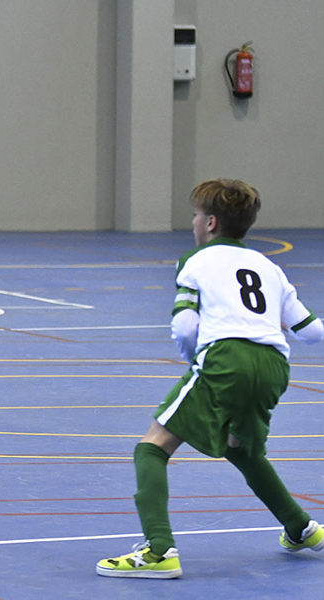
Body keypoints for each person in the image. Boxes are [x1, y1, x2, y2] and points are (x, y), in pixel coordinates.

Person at [96, 179, 324, 579]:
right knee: (243, 450)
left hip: (225, 359)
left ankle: (159, 551)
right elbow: (310, 331)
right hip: (273, 365)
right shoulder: (270, 268)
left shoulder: (195, 260)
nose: (194, 222)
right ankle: (302, 529)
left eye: (196, 215)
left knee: (152, 447)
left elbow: (185, 326)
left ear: (211, 222)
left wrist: (196, 363)